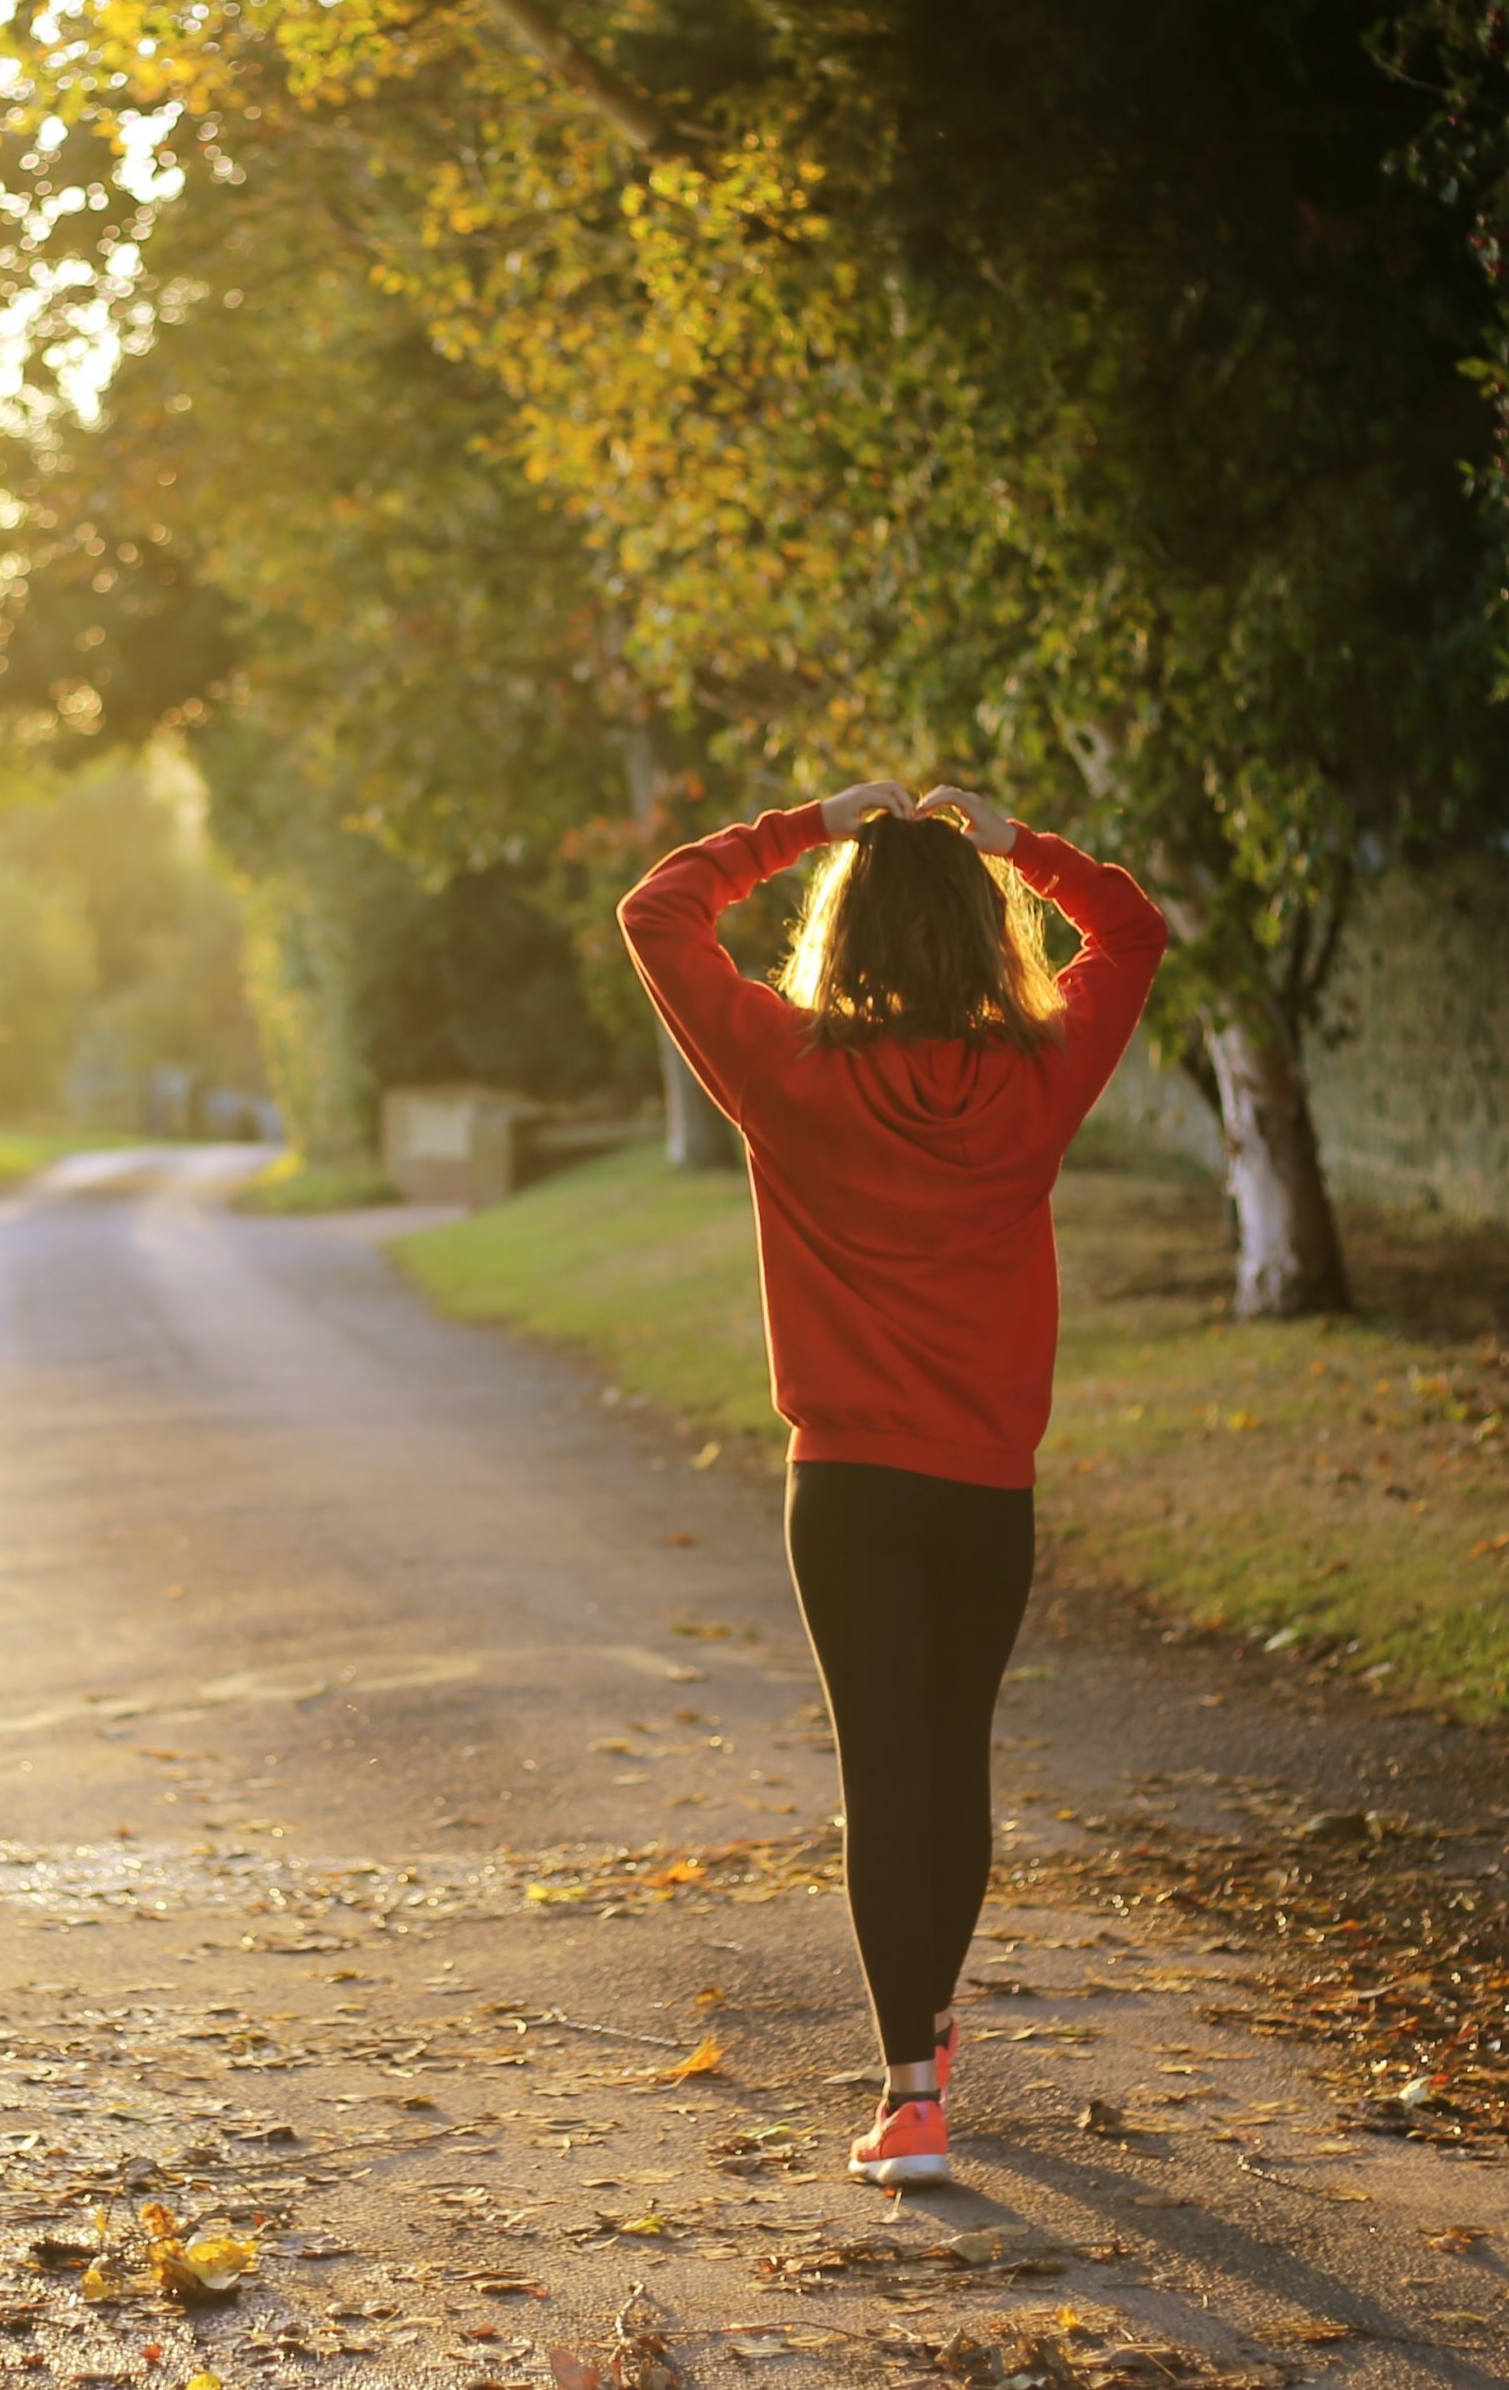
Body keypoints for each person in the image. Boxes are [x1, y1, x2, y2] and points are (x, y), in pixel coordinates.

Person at [617, 778, 1169, 2188]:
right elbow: (1133, 927)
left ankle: (911, 2091)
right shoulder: (1039, 1073)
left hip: (846, 1486)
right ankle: (922, 2038)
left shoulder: (784, 1067)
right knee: (954, 1759)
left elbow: (657, 909)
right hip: (984, 1486)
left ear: (842, 933)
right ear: (986, 938)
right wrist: (1016, 845)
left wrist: (805, 824)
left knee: (883, 1769)